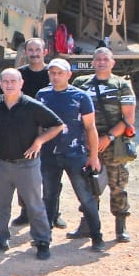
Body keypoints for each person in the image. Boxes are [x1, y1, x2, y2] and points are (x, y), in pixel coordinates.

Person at [0, 67, 63, 260]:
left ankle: (42, 241)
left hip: (27, 164)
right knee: (0, 205)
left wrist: (39, 141)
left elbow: (57, 125)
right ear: (0, 84)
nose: (9, 85)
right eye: (5, 81)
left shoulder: (32, 105)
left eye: (13, 81)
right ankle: (0, 238)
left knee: (34, 205)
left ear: (21, 83)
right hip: (0, 163)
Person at [35, 59, 104, 250]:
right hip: (48, 155)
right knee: (48, 196)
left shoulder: (81, 97)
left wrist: (93, 156)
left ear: (68, 75)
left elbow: (90, 128)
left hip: (76, 154)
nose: (56, 76)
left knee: (85, 196)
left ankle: (96, 236)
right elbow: (38, 125)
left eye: (60, 73)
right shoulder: (42, 95)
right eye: (52, 73)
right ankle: (44, 239)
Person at [75, 47, 137, 243]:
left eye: (105, 59)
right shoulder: (80, 83)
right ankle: (88, 225)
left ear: (112, 63)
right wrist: (87, 140)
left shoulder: (122, 85)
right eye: (98, 59)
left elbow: (129, 118)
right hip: (87, 144)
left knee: (117, 184)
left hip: (113, 143)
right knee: (88, 185)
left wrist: (108, 137)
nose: (101, 62)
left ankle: (121, 226)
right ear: (92, 62)